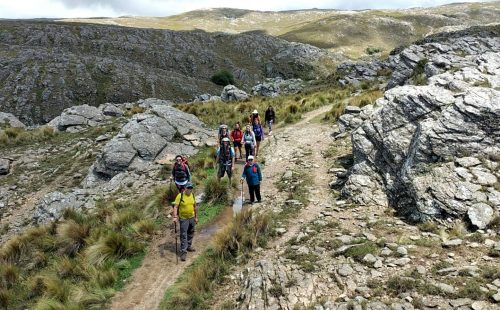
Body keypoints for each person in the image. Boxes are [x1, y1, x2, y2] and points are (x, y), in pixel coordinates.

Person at [172, 182, 197, 261]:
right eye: (188, 188)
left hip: (192, 217)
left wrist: (196, 217)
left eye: (191, 188)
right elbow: (175, 207)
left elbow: (195, 207)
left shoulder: (192, 195)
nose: (190, 189)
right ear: (185, 188)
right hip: (184, 219)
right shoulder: (180, 196)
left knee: (191, 232)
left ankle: (189, 246)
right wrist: (175, 217)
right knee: (183, 235)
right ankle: (183, 252)